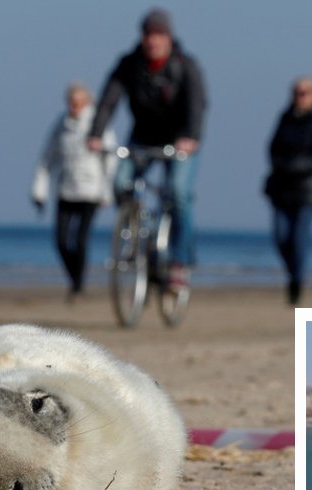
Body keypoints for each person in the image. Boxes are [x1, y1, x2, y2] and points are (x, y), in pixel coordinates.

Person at [87, 7, 207, 293]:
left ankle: (179, 262)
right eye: (149, 36)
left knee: (178, 192)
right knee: (121, 182)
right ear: (142, 38)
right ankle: (140, 234)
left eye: (159, 36)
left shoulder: (185, 65)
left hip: (181, 139)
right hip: (143, 137)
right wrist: (96, 133)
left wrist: (190, 137)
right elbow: (108, 99)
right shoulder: (129, 64)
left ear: (168, 38)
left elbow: (197, 104)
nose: (153, 42)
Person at [31, 82, 118, 300]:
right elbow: (47, 158)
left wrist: (107, 191)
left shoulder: (99, 124)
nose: (74, 106)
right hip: (65, 190)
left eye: (79, 102)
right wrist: (38, 190)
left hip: (91, 191)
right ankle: (74, 280)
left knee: (80, 240)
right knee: (60, 240)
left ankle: (79, 283)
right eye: (71, 101)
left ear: (87, 102)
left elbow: (111, 159)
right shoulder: (61, 124)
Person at [264, 76, 312, 304]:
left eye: (304, 92)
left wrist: (292, 166)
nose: (299, 97)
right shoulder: (284, 118)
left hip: (307, 191)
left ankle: (297, 281)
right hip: (281, 189)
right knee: (280, 237)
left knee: (299, 239)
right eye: (296, 92)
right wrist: (282, 165)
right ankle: (293, 273)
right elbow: (272, 148)